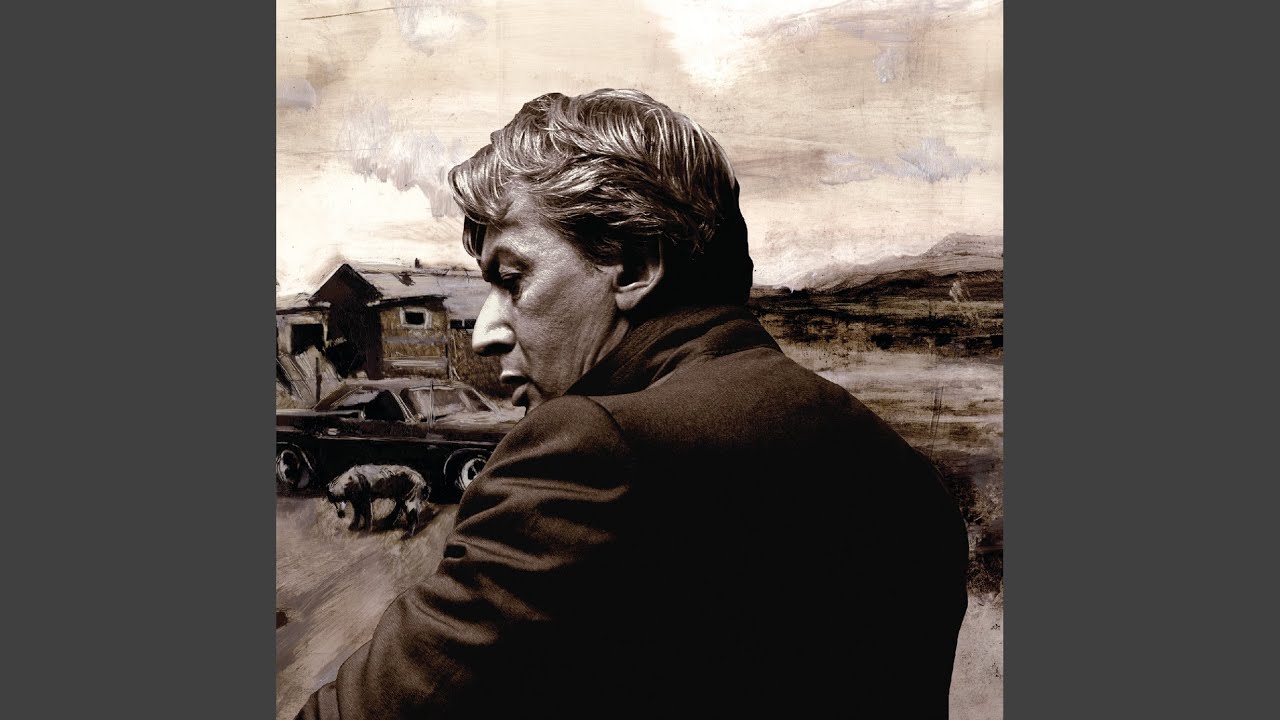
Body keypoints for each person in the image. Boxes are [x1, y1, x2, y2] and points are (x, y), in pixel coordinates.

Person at [296, 89, 969, 719]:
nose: (485, 332)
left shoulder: (591, 450)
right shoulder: (903, 473)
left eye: (513, 278)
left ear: (638, 265)